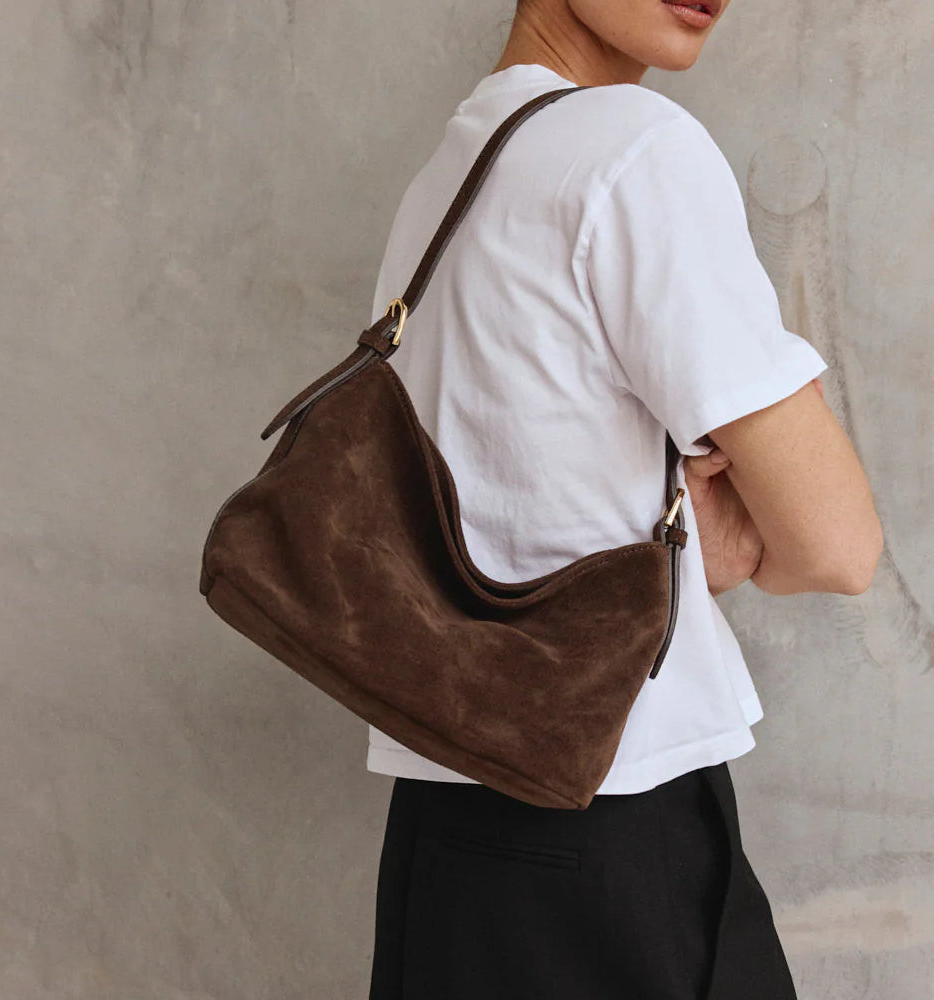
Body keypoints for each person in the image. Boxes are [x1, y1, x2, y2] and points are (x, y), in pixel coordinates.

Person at [365, 1, 884, 998]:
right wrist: (725, 529)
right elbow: (837, 545)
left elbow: (508, 514)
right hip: (606, 835)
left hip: (442, 836)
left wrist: (682, 535)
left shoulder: (449, 175)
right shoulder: (632, 149)